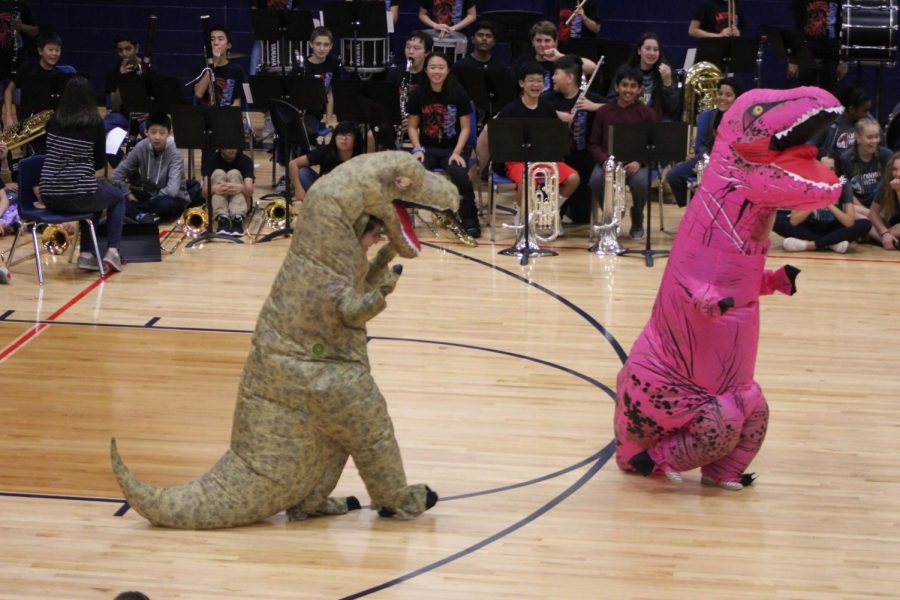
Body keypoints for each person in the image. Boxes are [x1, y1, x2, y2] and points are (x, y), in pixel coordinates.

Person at [39, 75, 126, 272]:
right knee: (117, 196)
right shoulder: (94, 123)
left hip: (49, 195)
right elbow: (99, 163)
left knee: (94, 195)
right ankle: (113, 251)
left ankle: (87, 254)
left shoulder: (53, 121)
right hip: (78, 194)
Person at [481, 61, 581, 223]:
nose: (536, 84)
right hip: (516, 161)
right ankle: (521, 221)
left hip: (543, 159)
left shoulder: (547, 108)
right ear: (521, 83)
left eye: (539, 81)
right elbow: (502, 143)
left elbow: (555, 141)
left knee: (573, 178)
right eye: (531, 80)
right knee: (527, 177)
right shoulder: (510, 110)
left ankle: (547, 210)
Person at [407, 52, 479, 237]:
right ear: (425, 69)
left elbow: (465, 128)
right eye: (432, 67)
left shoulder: (459, 93)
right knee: (410, 172)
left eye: (441, 67)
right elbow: (413, 127)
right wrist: (417, 149)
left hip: (452, 149)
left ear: (448, 70)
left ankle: (470, 219)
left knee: (459, 174)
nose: (436, 71)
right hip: (427, 149)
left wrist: (457, 152)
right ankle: (404, 220)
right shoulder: (418, 94)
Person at [588, 66, 658, 240]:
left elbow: (652, 145)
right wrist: (605, 162)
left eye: (633, 86)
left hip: (635, 164)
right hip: (609, 162)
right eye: (624, 85)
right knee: (596, 181)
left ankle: (637, 218)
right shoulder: (604, 112)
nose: (628, 90)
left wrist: (639, 161)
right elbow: (593, 144)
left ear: (639, 89)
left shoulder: (647, 114)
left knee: (641, 183)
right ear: (616, 87)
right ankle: (611, 216)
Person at [545, 54, 605, 223]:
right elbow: (531, 107)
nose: (553, 78)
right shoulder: (548, 99)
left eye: (557, 74)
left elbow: (617, 108)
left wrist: (594, 107)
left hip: (584, 163)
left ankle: (569, 208)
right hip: (558, 161)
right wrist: (556, 114)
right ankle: (556, 209)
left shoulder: (588, 98)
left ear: (570, 78)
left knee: (582, 218)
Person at [666, 77, 742, 207]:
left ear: (737, 98)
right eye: (720, 93)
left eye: (728, 95)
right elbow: (704, 144)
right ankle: (696, 207)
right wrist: (706, 159)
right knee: (673, 176)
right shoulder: (711, 116)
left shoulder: (742, 119)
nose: (722, 98)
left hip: (731, 165)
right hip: (708, 160)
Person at [774, 159, 872, 254]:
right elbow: (794, 221)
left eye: (831, 169)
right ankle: (831, 244)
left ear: (837, 170)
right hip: (811, 226)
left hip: (834, 228)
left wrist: (828, 203)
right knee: (774, 221)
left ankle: (810, 244)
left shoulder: (844, 184)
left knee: (865, 224)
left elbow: (849, 223)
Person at [110, 112, 189, 223]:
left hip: (170, 199)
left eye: (162, 133)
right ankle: (145, 215)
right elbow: (117, 176)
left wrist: (143, 204)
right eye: (153, 132)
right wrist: (129, 195)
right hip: (147, 194)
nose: (157, 137)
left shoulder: (175, 152)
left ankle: (138, 213)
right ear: (146, 132)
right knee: (113, 195)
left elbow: (172, 191)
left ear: (169, 134)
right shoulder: (141, 146)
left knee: (166, 205)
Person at [451, 20, 509, 134]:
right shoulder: (460, 66)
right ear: (473, 39)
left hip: (492, 122)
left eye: (488, 36)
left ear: (494, 41)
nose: (484, 39)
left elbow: (504, 98)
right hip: (465, 121)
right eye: (480, 35)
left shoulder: (501, 68)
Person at [3, 29, 66, 133]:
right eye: (50, 50)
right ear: (40, 51)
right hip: (27, 126)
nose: (54, 53)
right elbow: (8, 91)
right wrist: (9, 117)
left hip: (49, 127)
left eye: (57, 50)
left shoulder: (59, 75)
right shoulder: (27, 68)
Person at [288, 120, 365, 203]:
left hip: (348, 197)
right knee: (303, 172)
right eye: (340, 135)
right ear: (334, 138)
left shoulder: (361, 157)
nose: (344, 138)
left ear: (356, 140)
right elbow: (293, 164)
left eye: (349, 135)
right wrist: (298, 189)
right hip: (323, 192)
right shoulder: (325, 151)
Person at [511, 21, 596, 94]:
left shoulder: (562, 60)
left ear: (555, 42)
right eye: (538, 40)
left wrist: (560, 57)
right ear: (532, 42)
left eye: (547, 40)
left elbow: (592, 68)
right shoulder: (523, 61)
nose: (543, 45)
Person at [617, 32, 680, 122]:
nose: (652, 53)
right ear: (639, 50)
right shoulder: (625, 71)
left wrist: (667, 83)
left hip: (656, 119)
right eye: (647, 49)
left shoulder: (666, 72)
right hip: (630, 116)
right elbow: (612, 98)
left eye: (656, 50)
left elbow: (673, 107)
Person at [837, 117, 891, 220]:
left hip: (883, 207)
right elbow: (847, 194)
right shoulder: (845, 159)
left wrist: (879, 210)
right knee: (846, 208)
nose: (875, 141)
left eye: (877, 136)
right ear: (858, 138)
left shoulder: (886, 155)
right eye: (870, 137)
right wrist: (869, 213)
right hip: (859, 209)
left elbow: (890, 188)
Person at [788, 0, 846, 92]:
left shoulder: (838, 2)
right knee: (806, 95)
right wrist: (793, 60)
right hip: (806, 53)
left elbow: (843, 28)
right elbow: (796, 28)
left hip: (831, 54)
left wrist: (843, 60)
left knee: (829, 96)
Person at [202, 147, 255, 237]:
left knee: (234, 173)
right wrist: (215, 189)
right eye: (228, 147)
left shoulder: (246, 160)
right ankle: (222, 218)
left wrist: (240, 188)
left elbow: (250, 191)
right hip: (215, 204)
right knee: (218, 173)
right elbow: (204, 193)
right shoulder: (211, 160)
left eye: (234, 146)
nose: (232, 149)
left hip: (242, 204)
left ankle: (237, 219)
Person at [812, 86, 871, 165]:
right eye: (864, 111)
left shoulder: (869, 122)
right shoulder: (829, 122)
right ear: (851, 110)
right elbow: (810, 147)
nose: (868, 114)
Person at [194, 24, 245, 107]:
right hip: (205, 114)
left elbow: (237, 103)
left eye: (220, 39)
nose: (216, 43)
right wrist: (213, 63)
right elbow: (199, 93)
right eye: (212, 39)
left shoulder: (237, 70)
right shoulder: (200, 67)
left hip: (226, 115)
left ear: (228, 45)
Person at [302, 26, 340, 127]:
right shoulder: (302, 66)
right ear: (311, 44)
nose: (322, 48)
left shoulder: (333, 63)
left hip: (314, 112)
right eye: (318, 44)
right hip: (300, 110)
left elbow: (330, 93)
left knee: (310, 132)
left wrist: (328, 120)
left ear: (331, 46)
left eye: (326, 45)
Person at [0, 0, 39, 85]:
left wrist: (21, 26)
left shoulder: (21, 4)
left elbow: (35, 31)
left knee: (16, 97)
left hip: (16, 64)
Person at [868, 151, 900, 250]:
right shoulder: (886, 183)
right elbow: (872, 213)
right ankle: (891, 240)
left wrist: (898, 191)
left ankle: (881, 238)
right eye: (894, 169)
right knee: (860, 219)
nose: (898, 174)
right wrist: (885, 233)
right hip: (892, 224)